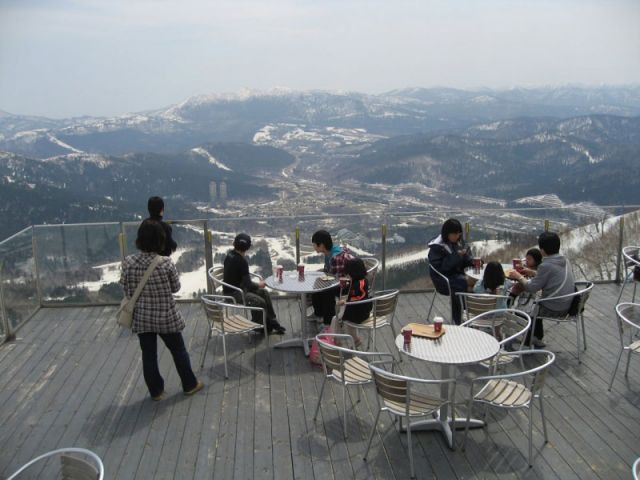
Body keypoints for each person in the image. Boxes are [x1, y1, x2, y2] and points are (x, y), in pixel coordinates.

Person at [120, 219, 202, 401]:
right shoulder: (165, 263)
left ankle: (156, 392)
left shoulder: (128, 262)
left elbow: (126, 290)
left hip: (142, 317)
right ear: (160, 240)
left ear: (139, 239)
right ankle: (190, 384)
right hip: (166, 316)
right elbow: (176, 288)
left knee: (148, 355)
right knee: (178, 350)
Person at [508, 232, 575, 347]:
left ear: (542, 250)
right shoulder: (564, 260)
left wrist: (517, 276)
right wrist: (533, 272)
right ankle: (536, 336)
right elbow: (551, 275)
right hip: (570, 303)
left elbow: (531, 287)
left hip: (555, 308)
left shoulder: (546, 265)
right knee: (534, 302)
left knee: (526, 306)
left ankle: (527, 340)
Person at [222, 233, 286, 334]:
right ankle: (259, 325)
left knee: (264, 293)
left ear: (234, 244)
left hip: (234, 288)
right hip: (234, 293)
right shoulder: (242, 261)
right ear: (247, 248)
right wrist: (260, 284)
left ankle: (271, 321)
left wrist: (257, 286)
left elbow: (242, 280)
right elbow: (249, 285)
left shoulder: (230, 255)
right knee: (259, 301)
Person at [427, 218, 474, 324]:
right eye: (454, 234)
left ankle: (472, 313)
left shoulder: (460, 242)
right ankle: (459, 319)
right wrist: (456, 256)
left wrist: (471, 261)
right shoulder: (437, 247)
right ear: (447, 233)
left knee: (476, 283)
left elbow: (467, 259)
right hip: (442, 280)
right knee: (462, 285)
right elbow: (442, 268)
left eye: (459, 234)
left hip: (458, 275)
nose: (457, 236)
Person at [310, 230, 352, 325]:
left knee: (326, 292)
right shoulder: (329, 251)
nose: (314, 247)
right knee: (317, 286)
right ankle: (319, 314)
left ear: (321, 245)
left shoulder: (335, 257)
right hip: (339, 280)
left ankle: (328, 323)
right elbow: (329, 272)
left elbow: (337, 280)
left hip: (346, 285)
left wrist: (323, 282)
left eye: (314, 245)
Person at [338, 258, 373, 347]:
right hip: (362, 310)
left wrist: (345, 302)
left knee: (339, 319)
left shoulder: (359, 284)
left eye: (349, 272)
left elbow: (358, 299)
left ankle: (337, 341)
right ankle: (353, 339)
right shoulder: (362, 280)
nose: (348, 275)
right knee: (340, 319)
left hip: (359, 313)